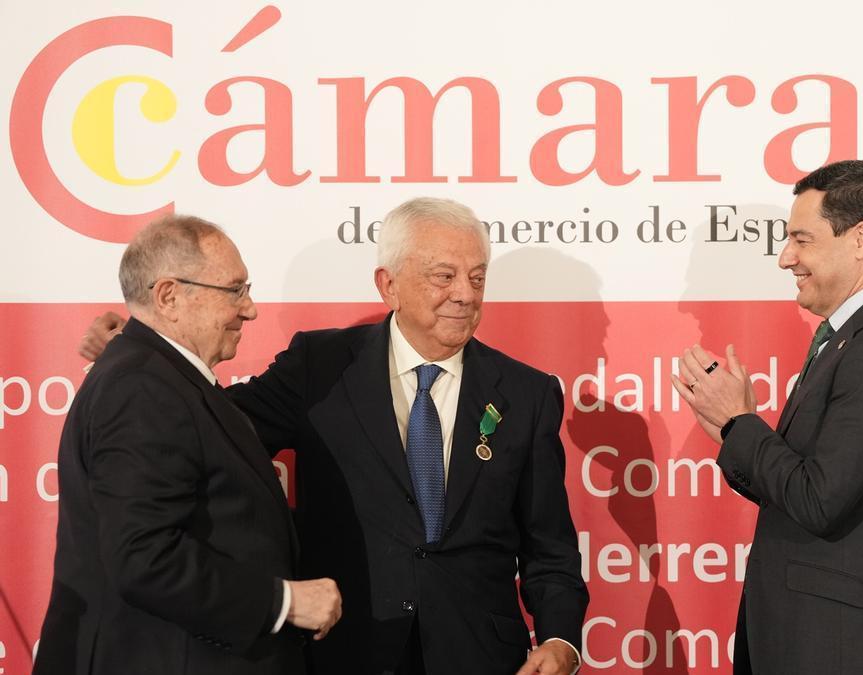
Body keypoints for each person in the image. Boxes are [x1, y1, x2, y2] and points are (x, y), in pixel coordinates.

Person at [81, 198, 587, 675]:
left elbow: (551, 546)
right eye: (444, 276)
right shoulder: (319, 367)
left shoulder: (527, 393)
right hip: (346, 649)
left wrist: (561, 641)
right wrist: (145, 348)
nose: (465, 294)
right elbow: (211, 429)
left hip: (480, 656)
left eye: (477, 277)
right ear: (388, 284)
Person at [673, 160, 863, 673]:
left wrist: (741, 425)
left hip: (843, 646)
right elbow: (800, 488)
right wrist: (732, 434)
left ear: (861, 239)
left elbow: (820, 499)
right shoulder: (851, 339)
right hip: (811, 638)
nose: (786, 259)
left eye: (802, 240)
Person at [36, 215, 341, 675]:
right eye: (234, 290)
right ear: (169, 297)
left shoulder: (159, 378)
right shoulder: (143, 387)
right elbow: (144, 556)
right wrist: (284, 602)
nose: (250, 309)